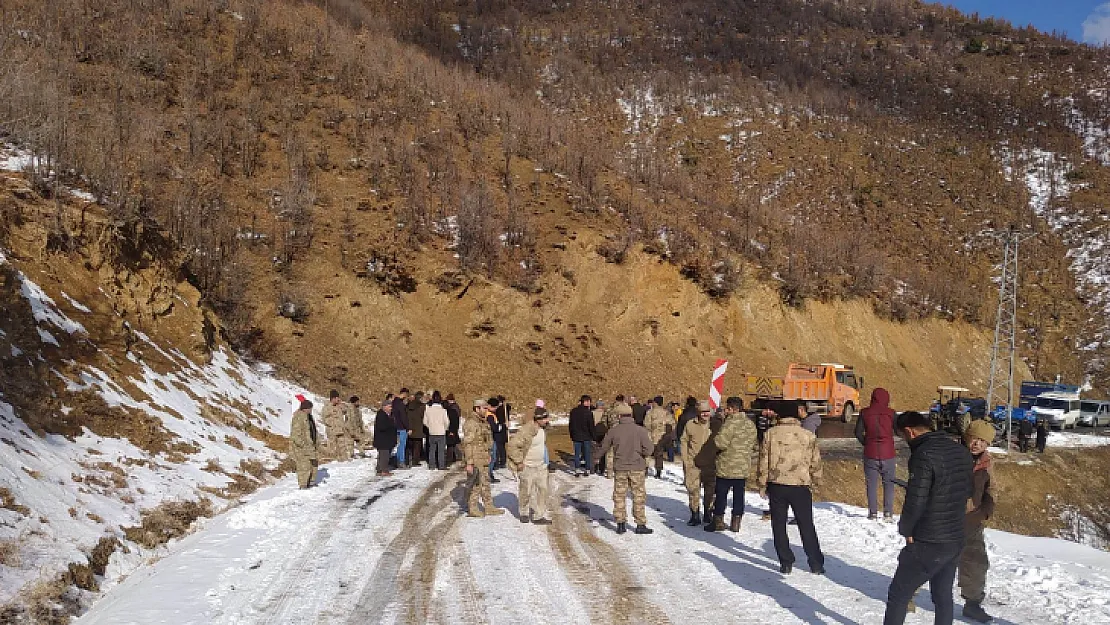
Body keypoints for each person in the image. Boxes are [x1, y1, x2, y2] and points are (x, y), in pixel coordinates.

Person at [883, 411, 973, 625]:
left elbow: (916, 500)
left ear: (909, 432)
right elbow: (966, 492)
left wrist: (907, 530)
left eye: (902, 437)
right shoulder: (960, 451)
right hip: (956, 536)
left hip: (930, 539)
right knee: (942, 597)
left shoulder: (923, 454)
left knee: (899, 594)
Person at [757, 399, 824, 575]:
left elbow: (763, 460)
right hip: (800, 485)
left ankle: (785, 562)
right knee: (806, 524)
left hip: (777, 484)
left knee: (778, 524)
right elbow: (815, 462)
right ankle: (816, 563)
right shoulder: (807, 435)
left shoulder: (770, 434)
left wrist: (762, 483)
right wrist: (816, 481)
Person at [597, 404, 655, 534]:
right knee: (638, 495)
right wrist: (641, 455)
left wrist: (596, 458)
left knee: (619, 495)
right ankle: (640, 524)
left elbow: (604, 447)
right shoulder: (640, 430)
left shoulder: (614, 431)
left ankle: (620, 523)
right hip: (637, 467)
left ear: (618, 416)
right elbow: (649, 449)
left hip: (620, 467)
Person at [960, 420, 996, 623]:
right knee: (930, 561)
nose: (977, 444)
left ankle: (972, 605)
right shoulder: (954, 455)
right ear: (967, 437)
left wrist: (986, 510)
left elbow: (992, 488)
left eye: (983, 441)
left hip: (972, 521)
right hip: (945, 519)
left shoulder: (987, 463)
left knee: (976, 563)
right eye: (975, 438)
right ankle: (908, 596)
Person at [711, 396, 758, 532]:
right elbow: (754, 444)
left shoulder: (729, 424)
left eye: (727, 408)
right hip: (742, 466)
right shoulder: (750, 424)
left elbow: (721, 443)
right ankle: (736, 523)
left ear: (732, 409)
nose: (726, 411)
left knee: (721, 494)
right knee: (739, 495)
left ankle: (718, 521)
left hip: (727, 465)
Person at [856, 388, 898, 521]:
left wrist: (866, 443)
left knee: (872, 484)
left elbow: (857, 432)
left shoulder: (864, 413)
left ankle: (873, 513)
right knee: (889, 484)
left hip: (870, 452)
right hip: (888, 452)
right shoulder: (891, 413)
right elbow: (898, 431)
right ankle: (888, 513)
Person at [508, 410, 553, 525]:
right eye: (545, 419)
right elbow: (512, 446)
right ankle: (524, 512)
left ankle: (539, 515)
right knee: (526, 491)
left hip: (541, 466)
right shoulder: (526, 431)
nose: (547, 421)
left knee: (543, 490)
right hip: (527, 466)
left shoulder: (543, 428)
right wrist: (518, 462)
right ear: (538, 419)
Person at [463, 399, 504, 517]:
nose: (486, 410)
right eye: (484, 408)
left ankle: (489, 506)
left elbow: (487, 439)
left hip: (484, 456)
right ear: (477, 408)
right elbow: (468, 444)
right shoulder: (471, 423)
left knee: (485, 482)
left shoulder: (483, 422)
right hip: (475, 458)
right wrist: (469, 462)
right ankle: (473, 507)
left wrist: (489, 453)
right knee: (476, 484)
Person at [681, 400, 718, 528]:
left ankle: (708, 512)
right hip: (693, 463)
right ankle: (695, 514)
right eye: (702, 412)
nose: (705, 414)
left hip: (710, 464)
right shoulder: (690, 424)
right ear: (698, 412)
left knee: (710, 491)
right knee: (693, 490)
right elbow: (684, 441)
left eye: (707, 411)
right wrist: (686, 460)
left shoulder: (715, 425)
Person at [290, 396, 319, 488]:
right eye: (310, 408)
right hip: (302, 447)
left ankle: (311, 481)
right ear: (306, 408)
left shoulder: (308, 416)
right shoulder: (299, 417)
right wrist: (303, 445)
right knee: (304, 466)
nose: (311, 410)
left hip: (310, 445)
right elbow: (295, 435)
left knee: (313, 463)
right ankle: (303, 485)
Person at [643, 396, 672, 478]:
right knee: (659, 455)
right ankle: (658, 472)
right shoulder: (666, 413)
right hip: (661, 437)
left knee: (647, 454)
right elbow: (671, 425)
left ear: (655, 402)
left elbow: (646, 424)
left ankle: (645, 470)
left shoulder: (650, 412)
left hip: (650, 436)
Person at [569, 395, 597, 477]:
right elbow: (591, 426)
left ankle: (577, 469)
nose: (589, 403)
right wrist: (594, 436)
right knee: (587, 453)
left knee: (577, 453)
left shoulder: (573, 411)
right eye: (588, 401)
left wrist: (572, 435)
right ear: (585, 402)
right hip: (586, 436)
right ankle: (587, 469)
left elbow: (571, 425)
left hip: (576, 436)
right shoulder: (588, 413)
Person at [322, 390, 350, 462]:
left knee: (343, 447)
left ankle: (344, 461)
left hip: (340, 430)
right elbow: (325, 419)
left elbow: (346, 410)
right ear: (333, 398)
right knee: (332, 448)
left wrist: (341, 404)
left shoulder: (339, 406)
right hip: (332, 431)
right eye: (336, 398)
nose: (338, 399)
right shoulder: (327, 407)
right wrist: (334, 423)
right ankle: (333, 463)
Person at [424, 391, 450, 470]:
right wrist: (445, 428)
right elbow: (447, 422)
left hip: (432, 432)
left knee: (432, 450)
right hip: (441, 432)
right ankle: (441, 465)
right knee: (441, 450)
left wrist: (430, 427)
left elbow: (425, 422)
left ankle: (431, 465)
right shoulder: (443, 411)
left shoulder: (428, 410)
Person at [373, 400, 397, 476]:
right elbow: (382, 427)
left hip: (387, 439)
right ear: (384, 407)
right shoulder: (381, 415)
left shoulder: (388, 415)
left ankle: (379, 469)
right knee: (384, 456)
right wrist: (390, 424)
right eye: (389, 406)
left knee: (383, 455)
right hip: (383, 440)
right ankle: (384, 470)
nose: (391, 408)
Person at [485, 398, 506, 483]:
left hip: (492, 438)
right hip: (491, 438)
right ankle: (489, 475)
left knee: (492, 457)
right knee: (492, 458)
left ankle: (489, 474)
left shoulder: (490, 414)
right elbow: (493, 427)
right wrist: (499, 427)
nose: (496, 409)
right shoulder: (489, 415)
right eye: (495, 407)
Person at [405, 391, 426, 467]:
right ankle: (415, 460)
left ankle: (407, 460)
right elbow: (423, 416)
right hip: (418, 427)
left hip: (409, 427)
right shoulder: (422, 406)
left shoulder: (407, 405)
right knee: (417, 445)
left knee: (409, 445)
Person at [392, 389, 410, 468]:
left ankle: (397, 461)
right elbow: (403, 417)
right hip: (402, 427)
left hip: (395, 427)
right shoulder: (401, 404)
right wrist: (408, 427)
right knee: (402, 445)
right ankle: (401, 462)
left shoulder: (393, 403)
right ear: (404, 394)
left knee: (398, 445)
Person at [494, 396, 511, 469]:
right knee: (502, 446)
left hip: (501, 430)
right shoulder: (505, 408)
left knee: (499, 446)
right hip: (503, 429)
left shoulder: (500, 409)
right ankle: (503, 461)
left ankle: (500, 462)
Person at [445, 394, 462, 465]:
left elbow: (453, 420)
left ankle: (450, 459)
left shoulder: (453, 408)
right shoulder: (456, 407)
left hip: (452, 427)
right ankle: (455, 457)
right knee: (453, 443)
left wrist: (452, 430)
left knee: (451, 444)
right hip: (454, 427)